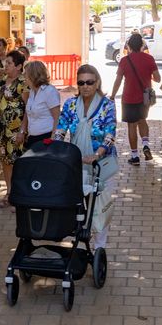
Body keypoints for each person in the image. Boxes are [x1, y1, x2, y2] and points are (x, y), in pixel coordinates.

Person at [53, 64, 118, 249]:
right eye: (81, 82)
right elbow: (61, 127)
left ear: (97, 82)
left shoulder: (107, 105)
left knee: (98, 204)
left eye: (89, 82)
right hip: (77, 160)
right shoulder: (71, 104)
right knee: (78, 203)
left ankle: (99, 246)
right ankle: (81, 241)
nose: (85, 86)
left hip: (101, 162)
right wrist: (57, 145)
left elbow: (110, 132)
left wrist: (98, 153)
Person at [111, 32, 160, 165]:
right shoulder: (149, 59)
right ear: (142, 45)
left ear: (129, 46)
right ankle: (145, 144)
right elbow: (158, 78)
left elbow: (118, 80)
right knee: (142, 120)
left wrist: (112, 95)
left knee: (131, 126)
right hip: (145, 98)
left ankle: (135, 156)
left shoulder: (124, 60)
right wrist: (146, 75)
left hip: (128, 98)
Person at [0, 50, 28, 207]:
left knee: (17, 162)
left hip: (16, 130)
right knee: (5, 161)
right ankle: (9, 192)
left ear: (19, 66)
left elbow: (28, 109)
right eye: (5, 63)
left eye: (9, 63)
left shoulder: (23, 83)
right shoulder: (1, 82)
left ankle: (20, 196)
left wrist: (22, 131)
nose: (6, 66)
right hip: (0, 129)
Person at [22, 60, 62, 148]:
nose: (24, 76)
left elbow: (58, 118)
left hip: (46, 137)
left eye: (26, 73)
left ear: (33, 74)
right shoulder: (32, 91)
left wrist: (53, 140)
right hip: (32, 137)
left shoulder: (49, 91)